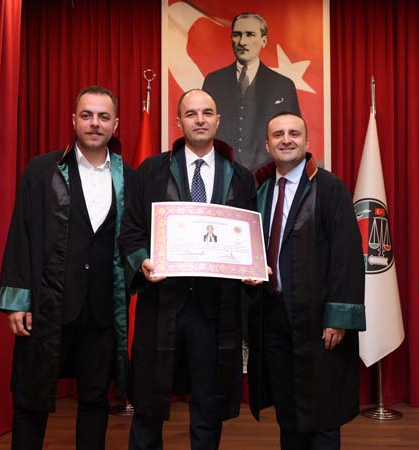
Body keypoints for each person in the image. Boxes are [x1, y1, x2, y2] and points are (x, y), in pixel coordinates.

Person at [0, 86, 134, 450]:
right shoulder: (42, 170)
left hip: (102, 309)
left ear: (115, 124)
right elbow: (21, 233)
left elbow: (136, 240)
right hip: (48, 304)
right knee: (31, 399)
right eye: (87, 115)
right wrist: (18, 300)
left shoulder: (129, 178)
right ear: (74, 120)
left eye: (103, 117)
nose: (94, 123)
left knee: (95, 400)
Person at [119, 89, 257, 450]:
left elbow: (250, 237)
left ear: (218, 120)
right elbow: (130, 229)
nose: (200, 119)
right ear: (179, 122)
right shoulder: (152, 170)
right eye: (191, 113)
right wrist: (142, 262)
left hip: (215, 310)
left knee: (209, 404)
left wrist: (250, 265)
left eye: (207, 113)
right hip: (162, 302)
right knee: (148, 403)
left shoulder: (239, 177)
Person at [248, 112, 366, 450]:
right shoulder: (260, 190)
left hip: (318, 319)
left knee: (323, 411)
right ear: (267, 144)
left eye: (294, 133)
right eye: (278, 134)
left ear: (307, 141)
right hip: (272, 315)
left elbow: (346, 256)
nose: (286, 139)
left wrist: (338, 317)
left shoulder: (330, 188)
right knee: (287, 410)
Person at [202, 12, 301, 173]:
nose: (242, 42)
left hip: (269, 176)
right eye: (237, 35)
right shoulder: (213, 81)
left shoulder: (283, 85)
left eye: (250, 34)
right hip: (223, 174)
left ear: (264, 40)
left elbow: (295, 134)